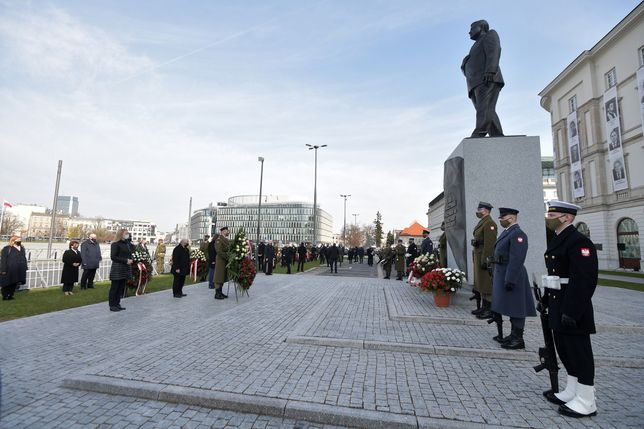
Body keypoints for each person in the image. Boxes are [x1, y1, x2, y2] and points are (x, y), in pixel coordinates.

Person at [542, 200, 598, 418]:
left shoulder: (578, 241)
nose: (549, 218)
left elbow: (583, 280)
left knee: (579, 352)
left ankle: (587, 400)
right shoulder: (560, 239)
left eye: (552, 214)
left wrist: (572, 311)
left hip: (573, 306)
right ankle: (572, 391)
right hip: (558, 302)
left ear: (567, 217)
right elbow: (555, 275)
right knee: (565, 350)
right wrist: (546, 300)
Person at [490, 207, 536, 349]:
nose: (501, 221)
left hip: (513, 275)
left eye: (502, 218)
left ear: (511, 218)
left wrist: (510, 279)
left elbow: (517, 258)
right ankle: (512, 335)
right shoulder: (508, 232)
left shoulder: (518, 234)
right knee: (510, 305)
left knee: (516, 307)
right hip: (503, 273)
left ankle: (518, 339)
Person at [461, 19, 504, 137]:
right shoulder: (475, 45)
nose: (469, 32)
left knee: (484, 108)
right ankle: (497, 134)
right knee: (485, 109)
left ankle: (479, 133)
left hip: (486, 78)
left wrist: (490, 71)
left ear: (481, 27)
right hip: (475, 83)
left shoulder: (489, 35)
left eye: (472, 28)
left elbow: (494, 51)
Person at [471, 202, 497, 318]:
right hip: (478, 255)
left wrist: (485, 260)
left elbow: (489, 244)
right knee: (481, 283)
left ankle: (490, 309)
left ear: (485, 210)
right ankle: (484, 307)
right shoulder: (483, 222)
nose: (477, 211)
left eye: (479, 209)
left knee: (486, 284)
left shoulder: (490, 223)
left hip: (484, 257)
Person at [108, 229, 133, 312]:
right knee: (115, 287)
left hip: (125, 268)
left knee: (120, 288)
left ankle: (117, 304)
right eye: (126, 233)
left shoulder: (126, 244)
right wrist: (126, 260)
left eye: (128, 234)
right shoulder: (115, 244)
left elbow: (129, 253)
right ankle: (112, 305)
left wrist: (130, 259)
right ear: (121, 234)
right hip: (117, 268)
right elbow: (113, 257)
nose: (127, 235)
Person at [0, 234, 28, 300]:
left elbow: (24, 258)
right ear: (13, 241)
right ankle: (5, 295)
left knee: (15, 282)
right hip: (9, 269)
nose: (19, 241)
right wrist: (3, 270)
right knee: (7, 283)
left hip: (19, 269)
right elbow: (3, 260)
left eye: (20, 240)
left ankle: (10, 295)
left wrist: (25, 266)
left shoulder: (22, 248)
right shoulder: (7, 249)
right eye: (18, 240)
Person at [213, 226, 230, 300]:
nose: (228, 232)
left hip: (224, 261)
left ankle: (220, 292)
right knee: (218, 277)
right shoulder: (219, 240)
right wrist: (227, 256)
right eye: (227, 231)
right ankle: (217, 293)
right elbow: (219, 251)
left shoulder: (225, 239)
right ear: (223, 231)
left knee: (222, 277)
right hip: (220, 261)